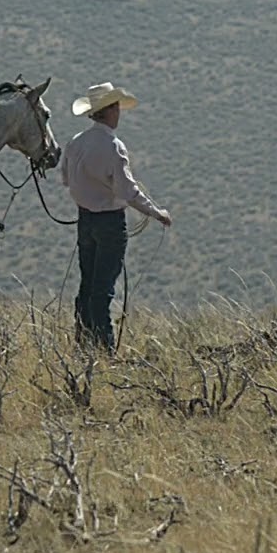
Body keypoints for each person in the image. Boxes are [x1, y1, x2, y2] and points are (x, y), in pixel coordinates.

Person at [61, 82, 172, 352]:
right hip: (109, 223)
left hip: (85, 220)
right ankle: (105, 350)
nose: (119, 112)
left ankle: (82, 343)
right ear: (109, 111)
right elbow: (127, 190)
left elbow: (66, 179)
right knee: (103, 291)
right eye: (116, 107)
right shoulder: (113, 146)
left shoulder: (76, 142)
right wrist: (157, 213)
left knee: (87, 284)